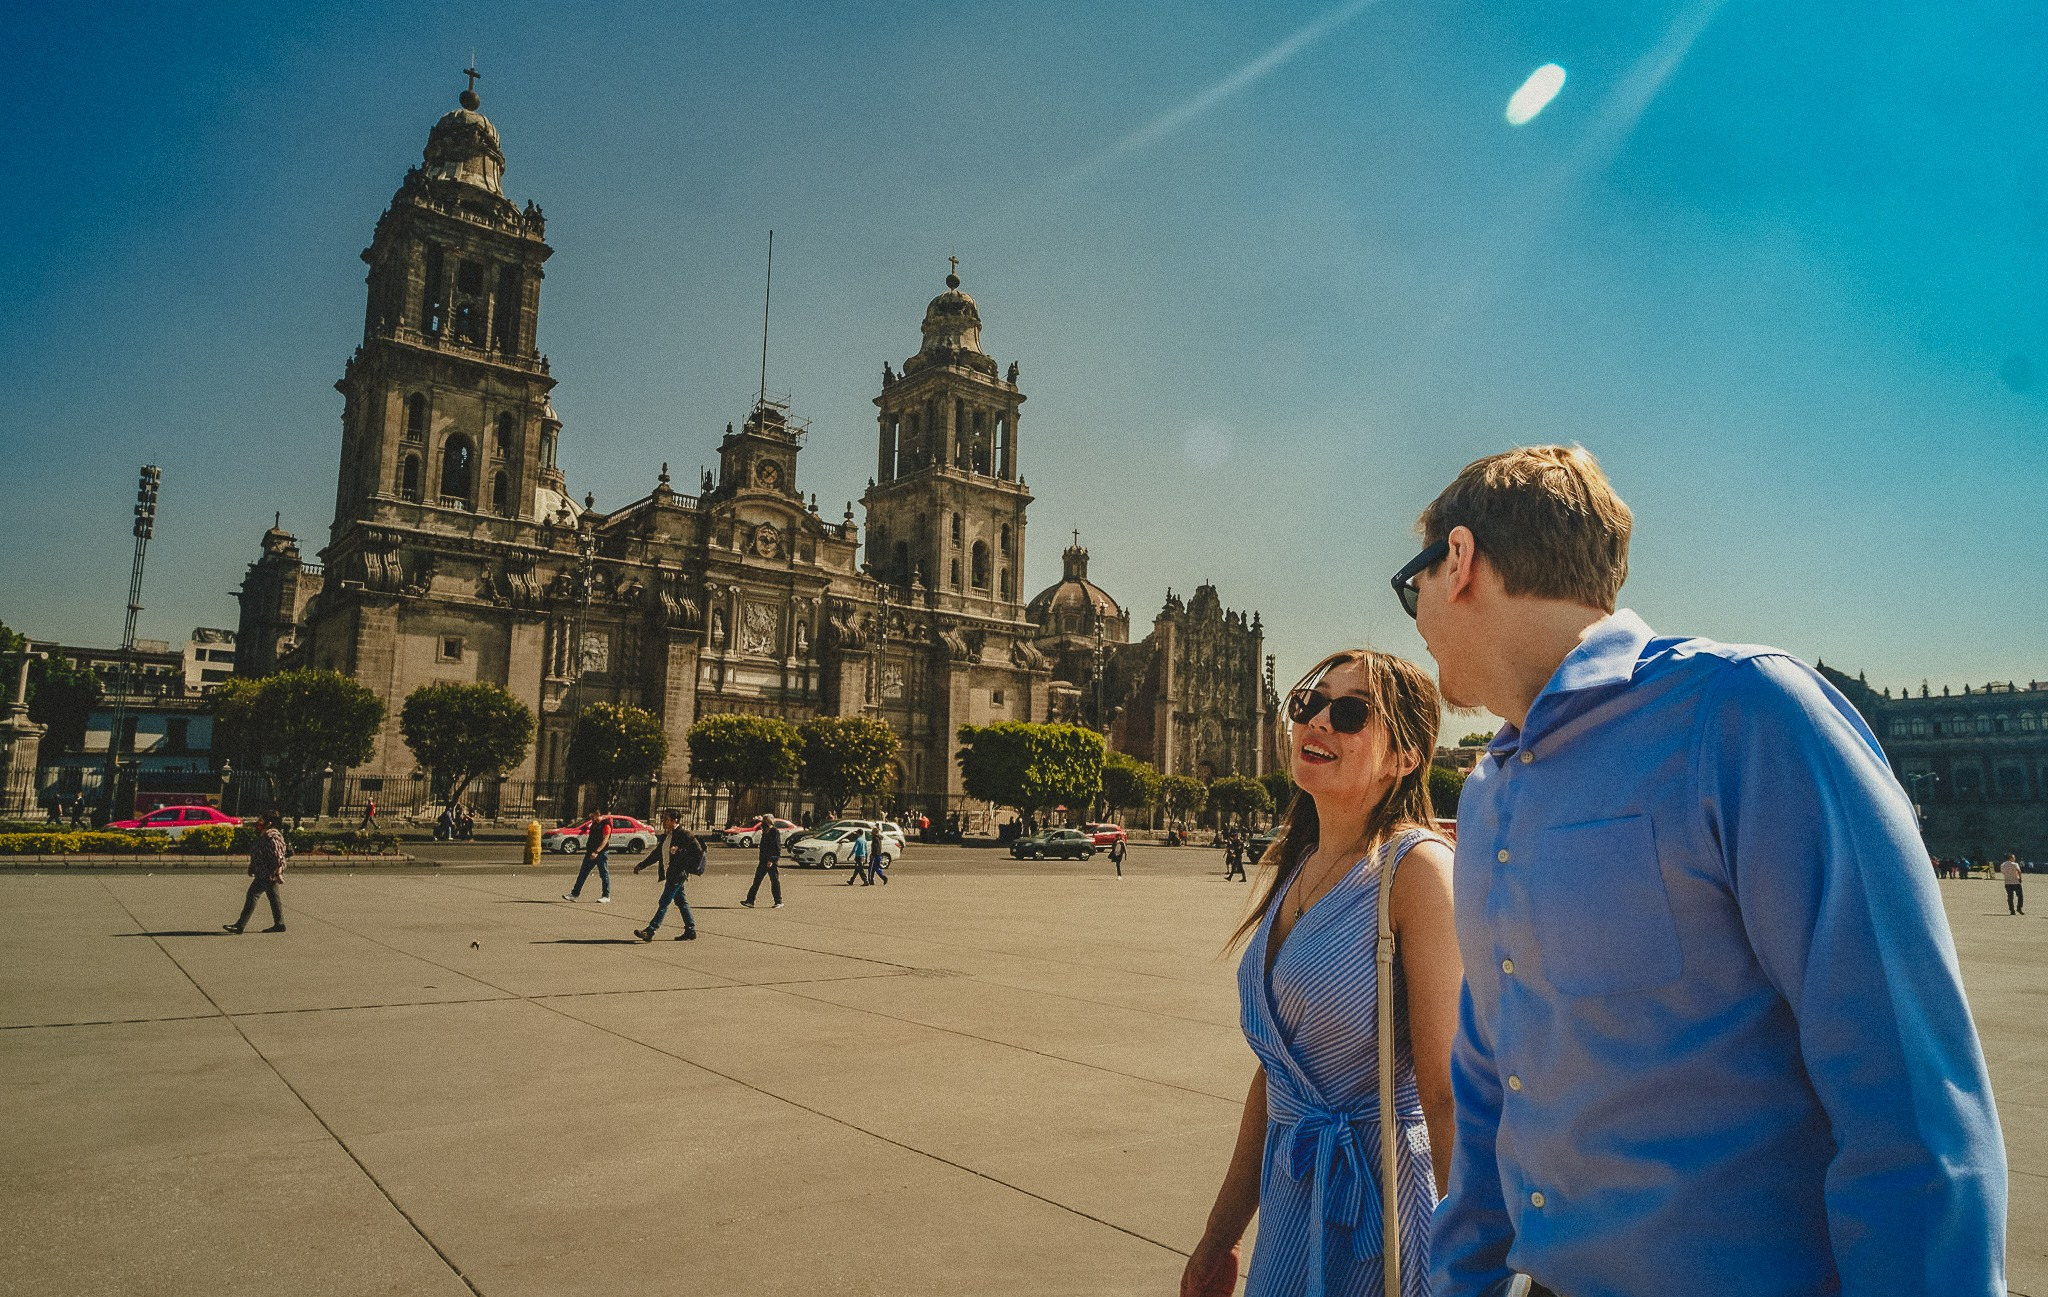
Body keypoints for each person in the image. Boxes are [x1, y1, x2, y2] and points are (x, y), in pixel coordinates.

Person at [1396, 446, 2006, 1296]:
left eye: (1411, 585)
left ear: (1457, 561)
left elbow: (1908, 1099)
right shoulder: (1493, 787)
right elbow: (1495, 1086)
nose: (1414, 619)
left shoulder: (1745, 713)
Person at [1185, 649, 1462, 1297]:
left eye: (1350, 712)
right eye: (1308, 703)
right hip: (1292, 1199)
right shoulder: (1296, 860)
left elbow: (1446, 1094)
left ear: (1406, 756)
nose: (1318, 721)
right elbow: (1279, 1075)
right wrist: (1218, 1237)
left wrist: (1471, 1266)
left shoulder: (1416, 871)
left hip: (1383, 1207)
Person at [632, 808, 701, 941]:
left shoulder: (684, 835)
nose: (663, 821)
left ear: (675, 820)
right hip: (670, 873)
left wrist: (680, 851)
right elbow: (656, 854)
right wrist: (642, 865)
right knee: (681, 902)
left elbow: (697, 852)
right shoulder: (667, 836)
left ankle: (650, 931)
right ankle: (690, 930)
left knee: (664, 902)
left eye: (666, 819)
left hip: (677, 874)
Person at [224, 807, 289, 934]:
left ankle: (240, 925)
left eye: (261, 819)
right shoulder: (264, 835)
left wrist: (278, 872)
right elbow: (258, 853)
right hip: (264, 871)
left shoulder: (272, 836)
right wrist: (252, 866)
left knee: (252, 895)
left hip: (267, 872)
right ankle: (279, 924)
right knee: (274, 897)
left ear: (269, 823)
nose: (258, 821)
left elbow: (278, 855)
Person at [562, 813, 614, 903]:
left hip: (600, 853)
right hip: (590, 852)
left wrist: (597, 851)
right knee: (583, 873)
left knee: (603, 874)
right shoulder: (594, 824)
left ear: (598, 814)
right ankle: (574, 894)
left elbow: (605, 839)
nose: (591, 818)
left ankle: (606, 895)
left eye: (592, 816)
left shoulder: (606, 824)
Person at [742, 813, 783, 908]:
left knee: (774, 881)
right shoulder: (765, 831)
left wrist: (772, 860)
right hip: (763, 860)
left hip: (771, 861)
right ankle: (750, 901)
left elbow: (777, 848)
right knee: (756, 881)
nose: (762, 823)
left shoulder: (774, 831)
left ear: (768, 822)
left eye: (764, 821)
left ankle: (778, 901)